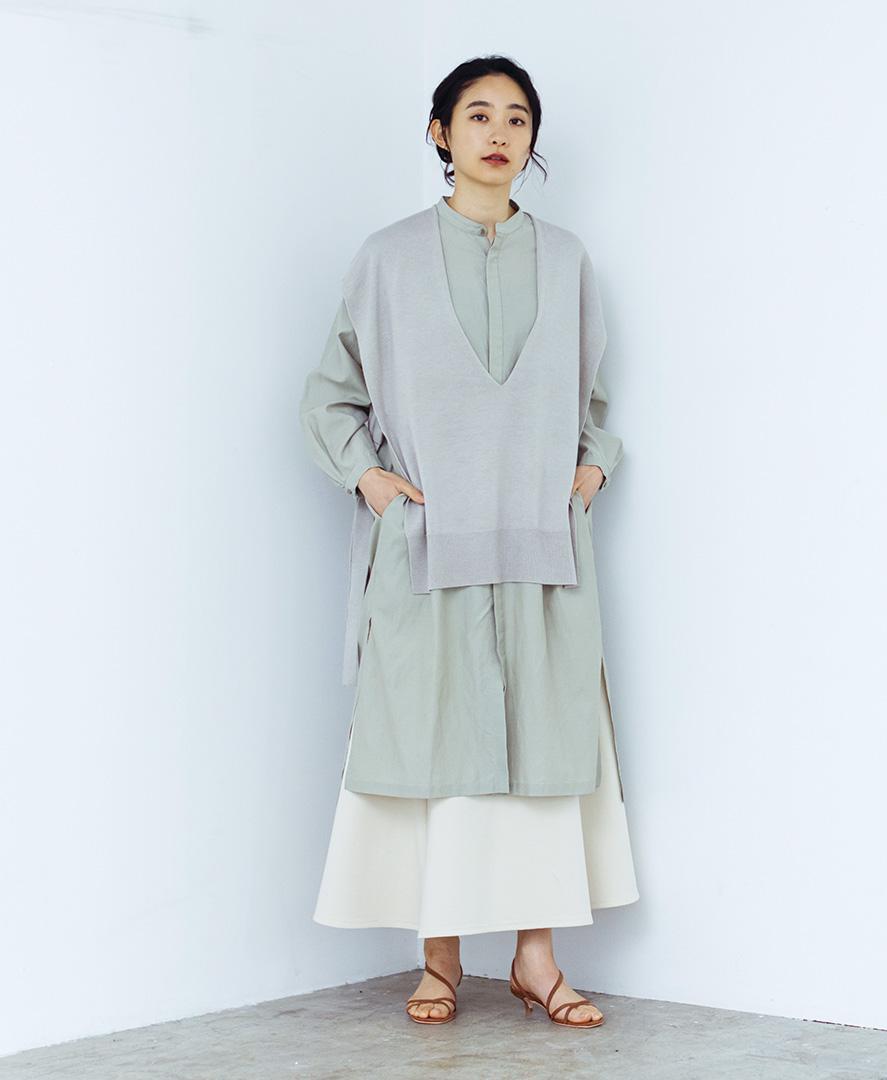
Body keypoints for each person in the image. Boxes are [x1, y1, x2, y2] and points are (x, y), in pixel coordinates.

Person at [300, 55, 639, 1029]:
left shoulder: (566, 260)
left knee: (544, 751)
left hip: (540, 552)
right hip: (430, 546)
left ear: (532, 141)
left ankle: (536, 959)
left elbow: (591, 400)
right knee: (432, 749)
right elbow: (330, 396)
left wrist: (593, 468)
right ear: (440, 133)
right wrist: (371, 480)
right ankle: (439, 959)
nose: (499, 133)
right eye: (478, 114)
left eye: (518, 118)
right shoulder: (389, 258)